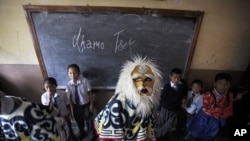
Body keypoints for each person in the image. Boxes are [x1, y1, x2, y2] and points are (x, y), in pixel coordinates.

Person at [94, 56, 162, 141]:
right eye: (138, 79)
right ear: (129, 82)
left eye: (148, 79)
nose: (143, 85)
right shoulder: (117, 104)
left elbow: (146, 126)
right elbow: (107, 136)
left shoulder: (149, 103)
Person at [186, 72, 233, 141]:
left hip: (217, 120)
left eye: (226, 84)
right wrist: (222, 112)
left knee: (209, 136)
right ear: (215, 84)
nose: (223, 86)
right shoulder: (208, 95)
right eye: (220, 83)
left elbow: (229, 109)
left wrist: (222, 114)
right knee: (197, 133)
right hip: (204, 118)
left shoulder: (230, 95)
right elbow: (207, 109)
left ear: (230, 85)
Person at [154, 68, 188, 140]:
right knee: (161, 123)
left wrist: (185, 98)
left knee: (170, 125)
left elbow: (185, 92)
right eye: (174, 77)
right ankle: (160, 136)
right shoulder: (167, 87)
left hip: (175, 110)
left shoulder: (183, 85)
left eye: (178, 78)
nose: (176, 79)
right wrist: (159, 110)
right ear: (170, 77)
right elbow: (162, 99)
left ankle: (158, 135)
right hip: (164, 109)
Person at [65, 63, 94, 140]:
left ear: (79, 73)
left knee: (89, 120)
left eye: (75, 72)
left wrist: (91, 104)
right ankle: (82, 133)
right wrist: (71, 108)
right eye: (70, 73)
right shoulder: (68, 84)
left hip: (86, 105)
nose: (73, 75)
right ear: (68, 74)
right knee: (79, 121)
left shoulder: (85, 81)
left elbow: (90, 93)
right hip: (76, 106)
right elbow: (69, 97)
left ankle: (91, 135)